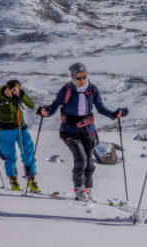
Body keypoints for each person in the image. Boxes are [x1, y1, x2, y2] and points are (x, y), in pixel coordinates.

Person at [39, 63, 124, 202]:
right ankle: (78, 189)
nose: (82, 80)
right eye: (79, 77)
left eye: (84, 76)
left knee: (89, 162)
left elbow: (100, 107)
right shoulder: (66, 90)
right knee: (81, 159)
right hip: (69, 130)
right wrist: (45, 111)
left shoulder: (92, 89)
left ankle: (88, 189)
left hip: (88, 130)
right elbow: (53, 106)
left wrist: (113, 114)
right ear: (72, 77)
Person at [0, 79, 40, 192]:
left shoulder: (18, 94)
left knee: (28, 151)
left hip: (20, 127)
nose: (11, 93)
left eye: (14, 90)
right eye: (10, 90)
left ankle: (31, 179)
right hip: (5, 130)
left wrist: (21, 94)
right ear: (6, 88)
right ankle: (13, 180)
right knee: (11, 156)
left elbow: (31, 105)